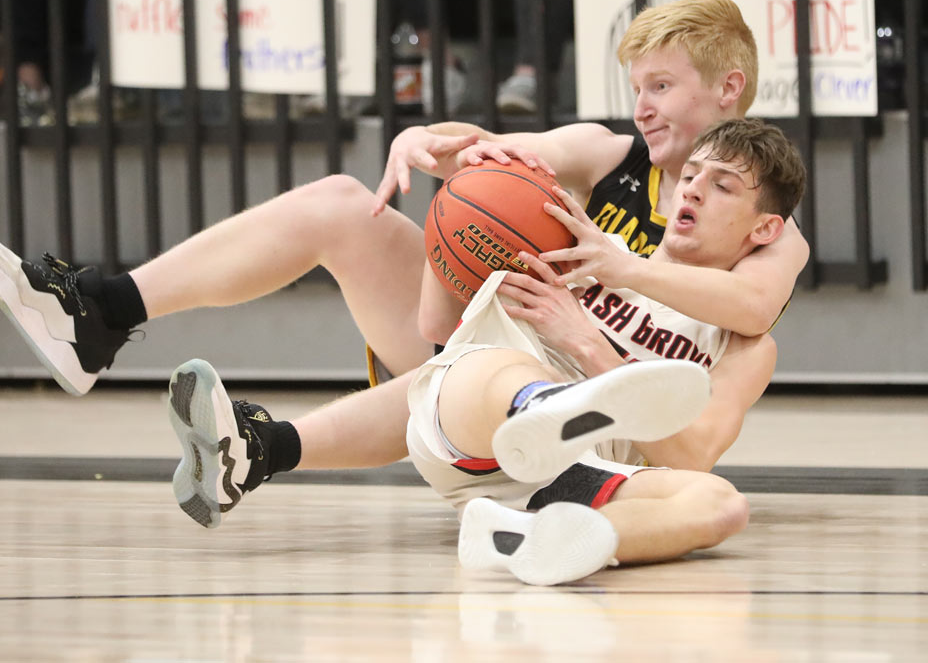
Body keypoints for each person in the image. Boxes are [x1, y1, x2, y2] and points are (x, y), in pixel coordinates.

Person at [0, 0, 806, 492]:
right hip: (484, 339)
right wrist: (430, 143)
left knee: (488, 365)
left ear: (728, 89)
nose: (645, 106)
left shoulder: (767, 232)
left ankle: (262, 449)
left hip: (558, 400)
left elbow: (756, 309)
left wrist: (615, 272)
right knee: (342, 204)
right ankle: (103, 313)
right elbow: (505, 159)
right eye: (638, 89)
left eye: (662, 85)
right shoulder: (607, 152)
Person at [170, 118, 804, 585]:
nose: (691, 191)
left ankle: (549, 539)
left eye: (721, 188)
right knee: (500, 368)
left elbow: (693, 456)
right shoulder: (577, 242)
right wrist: (455, 188)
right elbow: (435, 321)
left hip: (559, 481)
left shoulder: (747, 347)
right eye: (689, 176)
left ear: (765, 229)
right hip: (471, 420)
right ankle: (546, 404)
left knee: (720, 503)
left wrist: (587, 344)